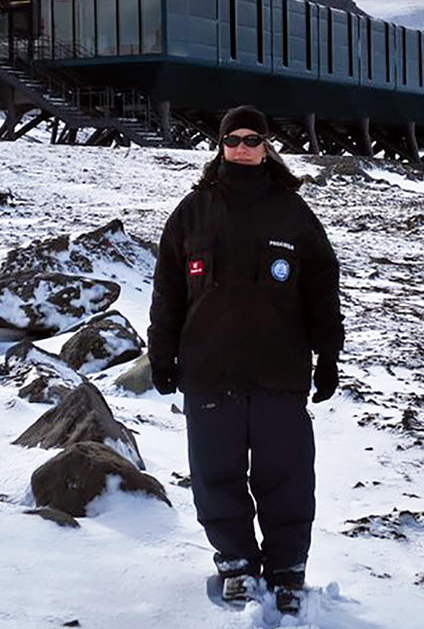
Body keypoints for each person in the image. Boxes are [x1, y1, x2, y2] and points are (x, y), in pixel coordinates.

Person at [147, 105, 344, 614]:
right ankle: (235, 564)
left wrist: (328, 356)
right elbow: (169, 290)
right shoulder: (192, 211)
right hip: (209, 370)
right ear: (220, 144)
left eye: (252, 139)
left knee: (287, 475)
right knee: (216, 475)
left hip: (280, 370)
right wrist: (161, 353)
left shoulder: (292, 212)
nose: (241, 147)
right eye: (232, 138)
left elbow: (322, 288)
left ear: (266, 146)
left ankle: (286, 572)